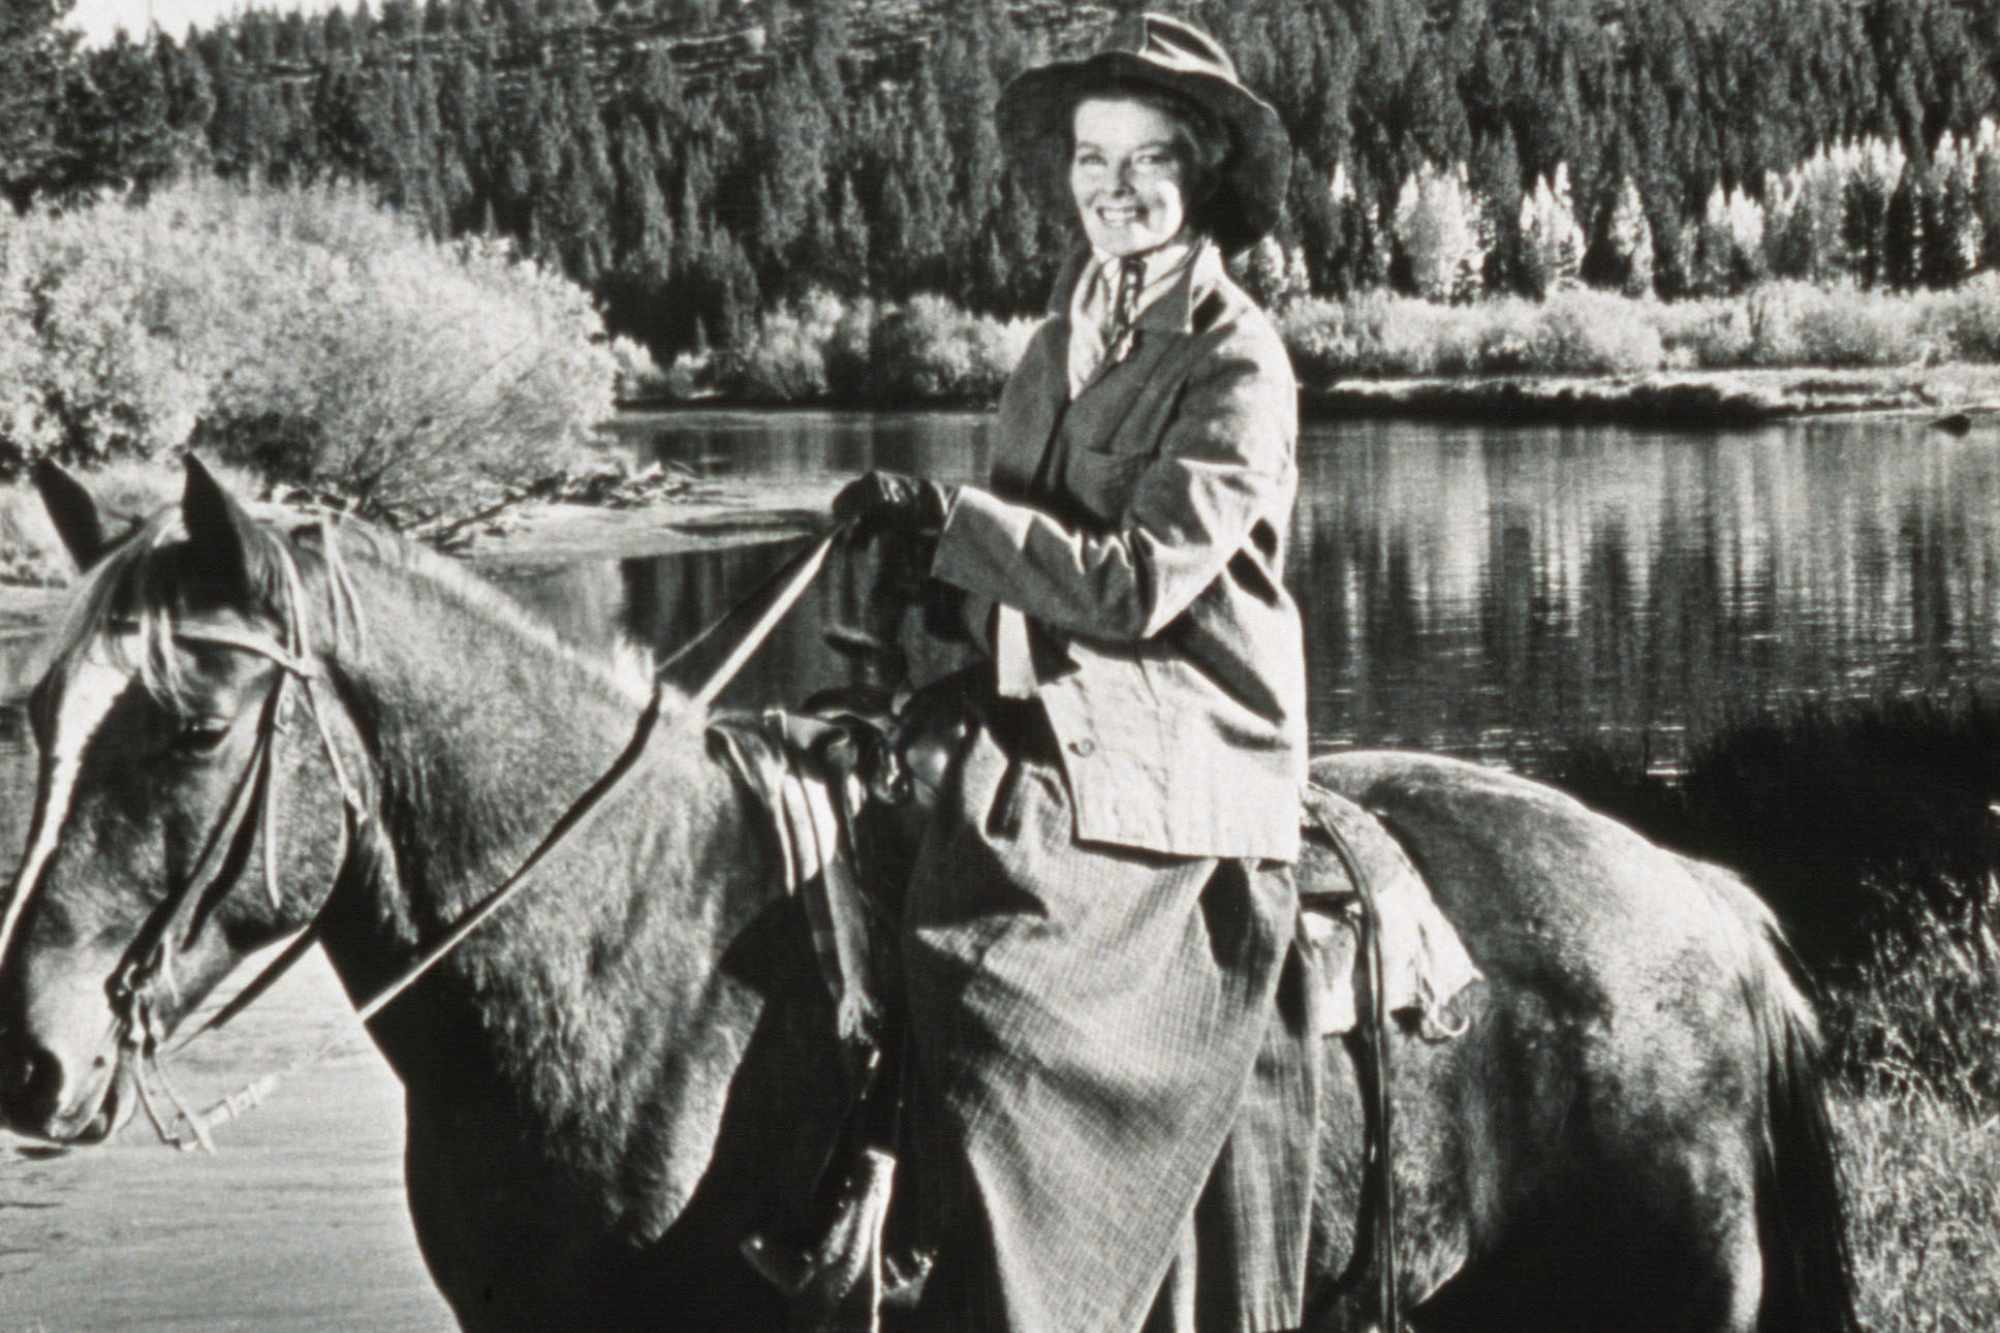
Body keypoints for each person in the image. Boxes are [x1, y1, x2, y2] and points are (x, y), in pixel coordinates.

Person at [831, 15, 1314, 1332]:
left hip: (1174, 728)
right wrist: (914, 574)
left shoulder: (1235, 359)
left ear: (1201, 172)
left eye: (1148, 158)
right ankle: (865, 1196)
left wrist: (957, 522)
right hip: (1039, 701)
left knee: (989, 967)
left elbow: (1138, 581)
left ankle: (1038, 1288)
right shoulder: (1060, 338)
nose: (1115, 185)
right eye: (1093, 157)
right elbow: (1008, 543)